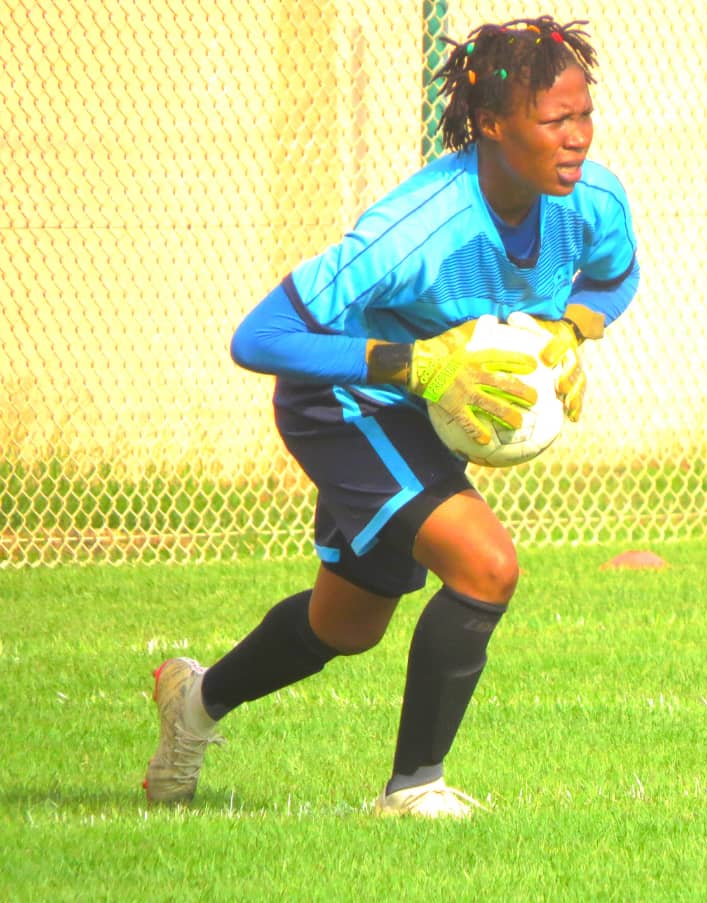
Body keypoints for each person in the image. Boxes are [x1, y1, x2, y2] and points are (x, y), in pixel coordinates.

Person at [144, 14, 639, 819]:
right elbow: (260, 336)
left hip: (419, 407)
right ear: (491, 123)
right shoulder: (419, 227)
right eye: (556, 120)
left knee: (345, 625)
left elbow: (614, 278)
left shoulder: (591, 201)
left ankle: (193, 702)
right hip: (345, 401)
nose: (578, 136)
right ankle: (413, 789)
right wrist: (422, 365)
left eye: (584, 114)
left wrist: (572, 329)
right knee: (486, 565)